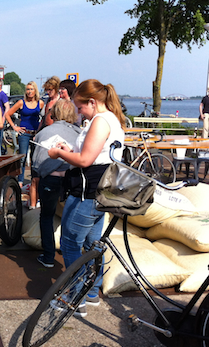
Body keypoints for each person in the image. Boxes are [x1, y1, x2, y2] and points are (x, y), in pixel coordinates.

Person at [47, 79, 125, 317]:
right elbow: (91, 154)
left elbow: (85, 161)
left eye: (81, 107)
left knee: (71, 242)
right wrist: (72, 152)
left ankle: (75, 295)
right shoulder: (112, 119)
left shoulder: (101, 121)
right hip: (99, 192)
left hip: (87, 192)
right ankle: (91, 292)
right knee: (93, 244)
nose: (79, 112)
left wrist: (58, 153)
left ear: (92, 102)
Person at [31, 99, 81, 268]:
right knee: (73, 218)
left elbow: (36, 164)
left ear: (53, 113)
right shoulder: (79, 134)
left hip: (50, 179)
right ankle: (73, 255)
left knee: (46, 216)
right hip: (73, 179)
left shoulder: (44, 133)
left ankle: (48, 256)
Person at [4, 81, 44, 208]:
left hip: (35, 134)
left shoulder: (40, 103)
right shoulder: (21, 102)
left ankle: (33, 183)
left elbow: (44, 117)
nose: (29, 91)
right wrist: (15, 127)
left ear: (35, 90)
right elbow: (8, 114)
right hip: (24, 133)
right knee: (22, 157)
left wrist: (40, 129)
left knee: (35, 159)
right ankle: (20, 182)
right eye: (27, 89)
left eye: (31, 89)